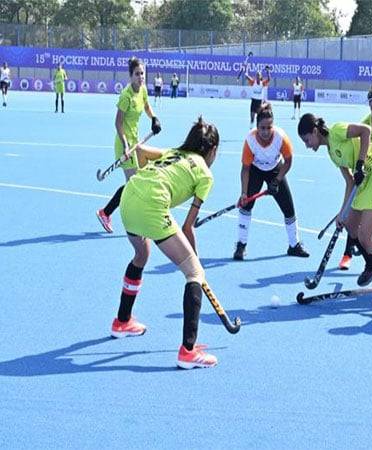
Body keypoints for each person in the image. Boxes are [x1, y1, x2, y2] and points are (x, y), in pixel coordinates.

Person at [110, 117, 220, 369]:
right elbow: (187, 227)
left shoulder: (174, 153)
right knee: (193, 272)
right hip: (151, 205)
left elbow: (139, 151)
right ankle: (188, 351)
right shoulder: (205, 173)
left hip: (128, 198)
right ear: (212, 150)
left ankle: (122, 322)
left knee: (141, 254)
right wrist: (197, 268)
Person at [298, 114, 372, 286]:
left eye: (307, 140)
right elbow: (350, 182)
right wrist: (342, 213)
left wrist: (359, 164)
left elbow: (365, 131)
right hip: (364, 182)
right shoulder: (332, 153)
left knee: (365, 236)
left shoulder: (337, 131)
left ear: (315, 132)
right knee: (350, 226)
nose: (307, 146)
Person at [234, 103, 309, 260]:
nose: (266, 131)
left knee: (288, 208)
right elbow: (245, 169)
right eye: (262, 128)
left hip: (276, 170)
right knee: (246, 206)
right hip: (255, 171)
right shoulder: (250, 140)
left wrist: (277, 180)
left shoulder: (281, 137)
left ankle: (294, 245)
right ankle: (241, 245)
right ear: (257, 126)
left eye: (269, 127)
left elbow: (288, 161)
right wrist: (243, 193)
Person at [96, 57, 161, 233]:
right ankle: (106, 212)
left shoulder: (143, 90)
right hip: (124, 143)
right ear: (130, 76)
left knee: (136, 182)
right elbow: (118, 123)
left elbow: (147, 106)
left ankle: (107, 212)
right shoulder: (126, 96)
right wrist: (125, 145)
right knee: (134, 182)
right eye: (137, 74)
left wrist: (153, 118)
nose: (141, 77)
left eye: (142, 73)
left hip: (136, 142)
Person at [339, 80, 372, 271]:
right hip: (366, 177)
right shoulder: (363, 125)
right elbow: (355, 152)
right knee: (354, 215)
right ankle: (348, 254)